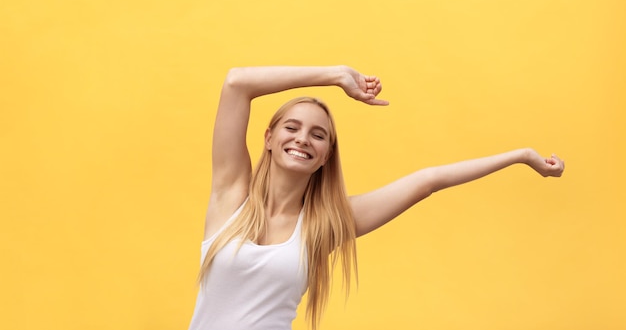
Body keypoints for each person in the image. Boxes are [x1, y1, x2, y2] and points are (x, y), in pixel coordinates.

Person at [187, 65, 565, 330]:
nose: (303, 138)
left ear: (325, 157)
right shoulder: (230, 197)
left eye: (318, 135)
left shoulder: (325, 226)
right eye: (292, 127)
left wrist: (520, 156)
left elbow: (428, 180)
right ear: (269, 139)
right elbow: (236, 83)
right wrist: (335, 76)